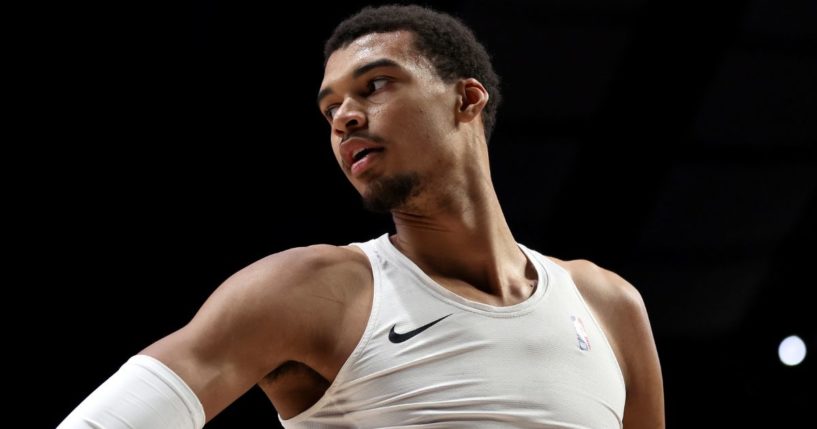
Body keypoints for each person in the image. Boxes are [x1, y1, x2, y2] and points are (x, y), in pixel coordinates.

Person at [59, 4, 664, 428]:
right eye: (330, 109)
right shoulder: (309, 290)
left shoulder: (607, 304)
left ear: (466, 98)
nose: (345, 117)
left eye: (375, 85)